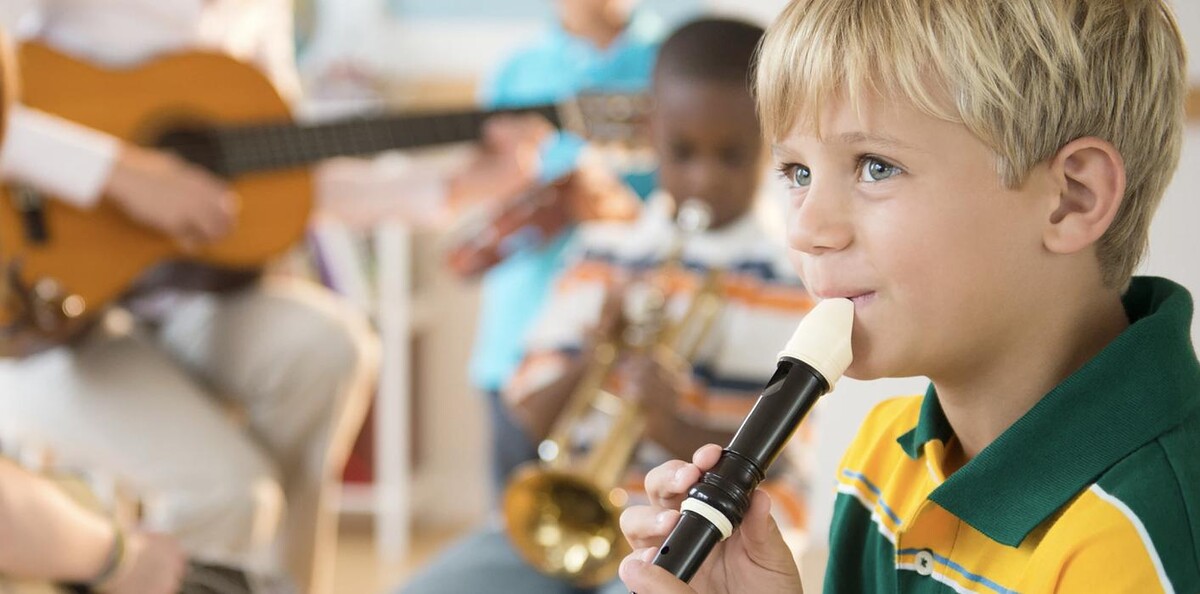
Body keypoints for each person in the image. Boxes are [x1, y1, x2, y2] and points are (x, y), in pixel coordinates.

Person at [618, 1, 1199, 593]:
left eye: (876, 167)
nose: (806, 230)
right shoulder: (883, 456)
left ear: (1071, 198)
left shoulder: (1141, 536)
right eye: (797, 172)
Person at [0, 2, 534, 593]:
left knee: (330, 347)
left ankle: (273, 582)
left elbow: (287, 175)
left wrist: (454, 186)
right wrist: (120, 173)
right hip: (43, 319)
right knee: (231, 492)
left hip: (184, 297)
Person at [398, 18, 816, 594]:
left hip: (707, 541)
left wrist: (669, 423)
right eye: (683, 152)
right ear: (650, 132)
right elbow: (529, 418)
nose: (703, 179)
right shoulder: (605, 250)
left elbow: (774, 470)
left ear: (771, 146)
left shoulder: (789, 280)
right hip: (570, 520)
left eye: (731, 157)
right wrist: (598, 352)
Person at [468, 0, 666, 499]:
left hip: (634, 351)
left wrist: (622, 211)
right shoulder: (514, 70)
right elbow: (477, 200)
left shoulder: (670, 62)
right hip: (518, 341)